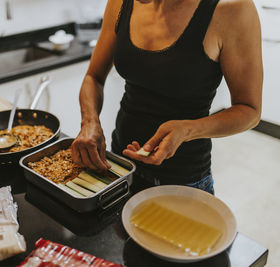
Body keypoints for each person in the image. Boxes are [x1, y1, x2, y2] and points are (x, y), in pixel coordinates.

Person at [71, 0, 263, 194]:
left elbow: (249, 110)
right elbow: (93, 78)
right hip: (119, 167)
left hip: (183, 180)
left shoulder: (232, 8)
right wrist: (89, 122)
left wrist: (186, 129)